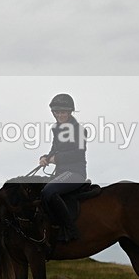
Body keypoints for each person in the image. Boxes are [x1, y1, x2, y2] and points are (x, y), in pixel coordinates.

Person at [38, 93, 87, 242]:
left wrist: (56, 158)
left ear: (70, 112)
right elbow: (54, 150)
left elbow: (78, 154)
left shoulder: (79, 130)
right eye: (57, 112)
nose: (60, 115)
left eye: (63, 112)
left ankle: (70, 230)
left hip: (75, 173)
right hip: (60, 172)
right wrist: (45, 157)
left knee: (48, 191)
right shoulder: (57, 130)